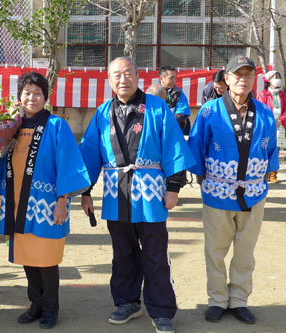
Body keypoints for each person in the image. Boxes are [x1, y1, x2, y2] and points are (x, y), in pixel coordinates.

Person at [80, 57, 195, 333]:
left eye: (128, 73)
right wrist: (85, 192)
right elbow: (90, 153)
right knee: (122, 252)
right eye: (117, 75)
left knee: (155, 253)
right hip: (115, 190)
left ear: (137, 76)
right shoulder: (102, 112)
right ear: (109, 80)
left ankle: (161, 309)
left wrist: (174, 187)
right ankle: (127, 302)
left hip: (151, 191)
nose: (123, 79)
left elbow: (173, 147)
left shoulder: (157, 108)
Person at [0, 72, 91, 329]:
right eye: (27, 93)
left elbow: (68, 164)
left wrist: (62, 200)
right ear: (19, 96)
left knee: (47, 260)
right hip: (18, 203)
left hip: (46, 204)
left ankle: (50, 309)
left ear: (45, 97)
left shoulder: (56, 125)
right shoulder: (11, 126)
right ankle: (34, 305)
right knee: (27, 259)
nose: (32, 98)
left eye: (37, 93)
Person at [188, 55, 279, 325]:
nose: (242, 79)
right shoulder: (209, 111)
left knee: (245, 250)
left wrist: (264, 179)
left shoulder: (264, 112)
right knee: (215, 250)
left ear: (255, 79)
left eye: (248, 75)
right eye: (237, 75)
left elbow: (271, 150)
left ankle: (239, 299)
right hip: (218, 192)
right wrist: (206, 182)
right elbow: (197, 148)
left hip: (253, 192)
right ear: (226, 79)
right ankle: (217, 299)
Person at [257, 70, 286, 183]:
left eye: (279, 77)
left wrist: (281, 120)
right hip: (267, 126)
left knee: (276, 149)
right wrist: (270, 121)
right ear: (268, 80)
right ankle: (263, 173)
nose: (277, 79)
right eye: (275, 77)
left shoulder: (283, 95)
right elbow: (261, 109)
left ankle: (273, 175)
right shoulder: (263, 94)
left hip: (280, 126)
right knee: (265, 148)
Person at [159, 65, 191, 133]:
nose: (174, 81)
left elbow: (182, 112)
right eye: (171, 78)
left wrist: (168, 125)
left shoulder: (178, 92)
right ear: (161, 78)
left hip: (176, 129)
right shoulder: (154, 91)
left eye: (175, 78)